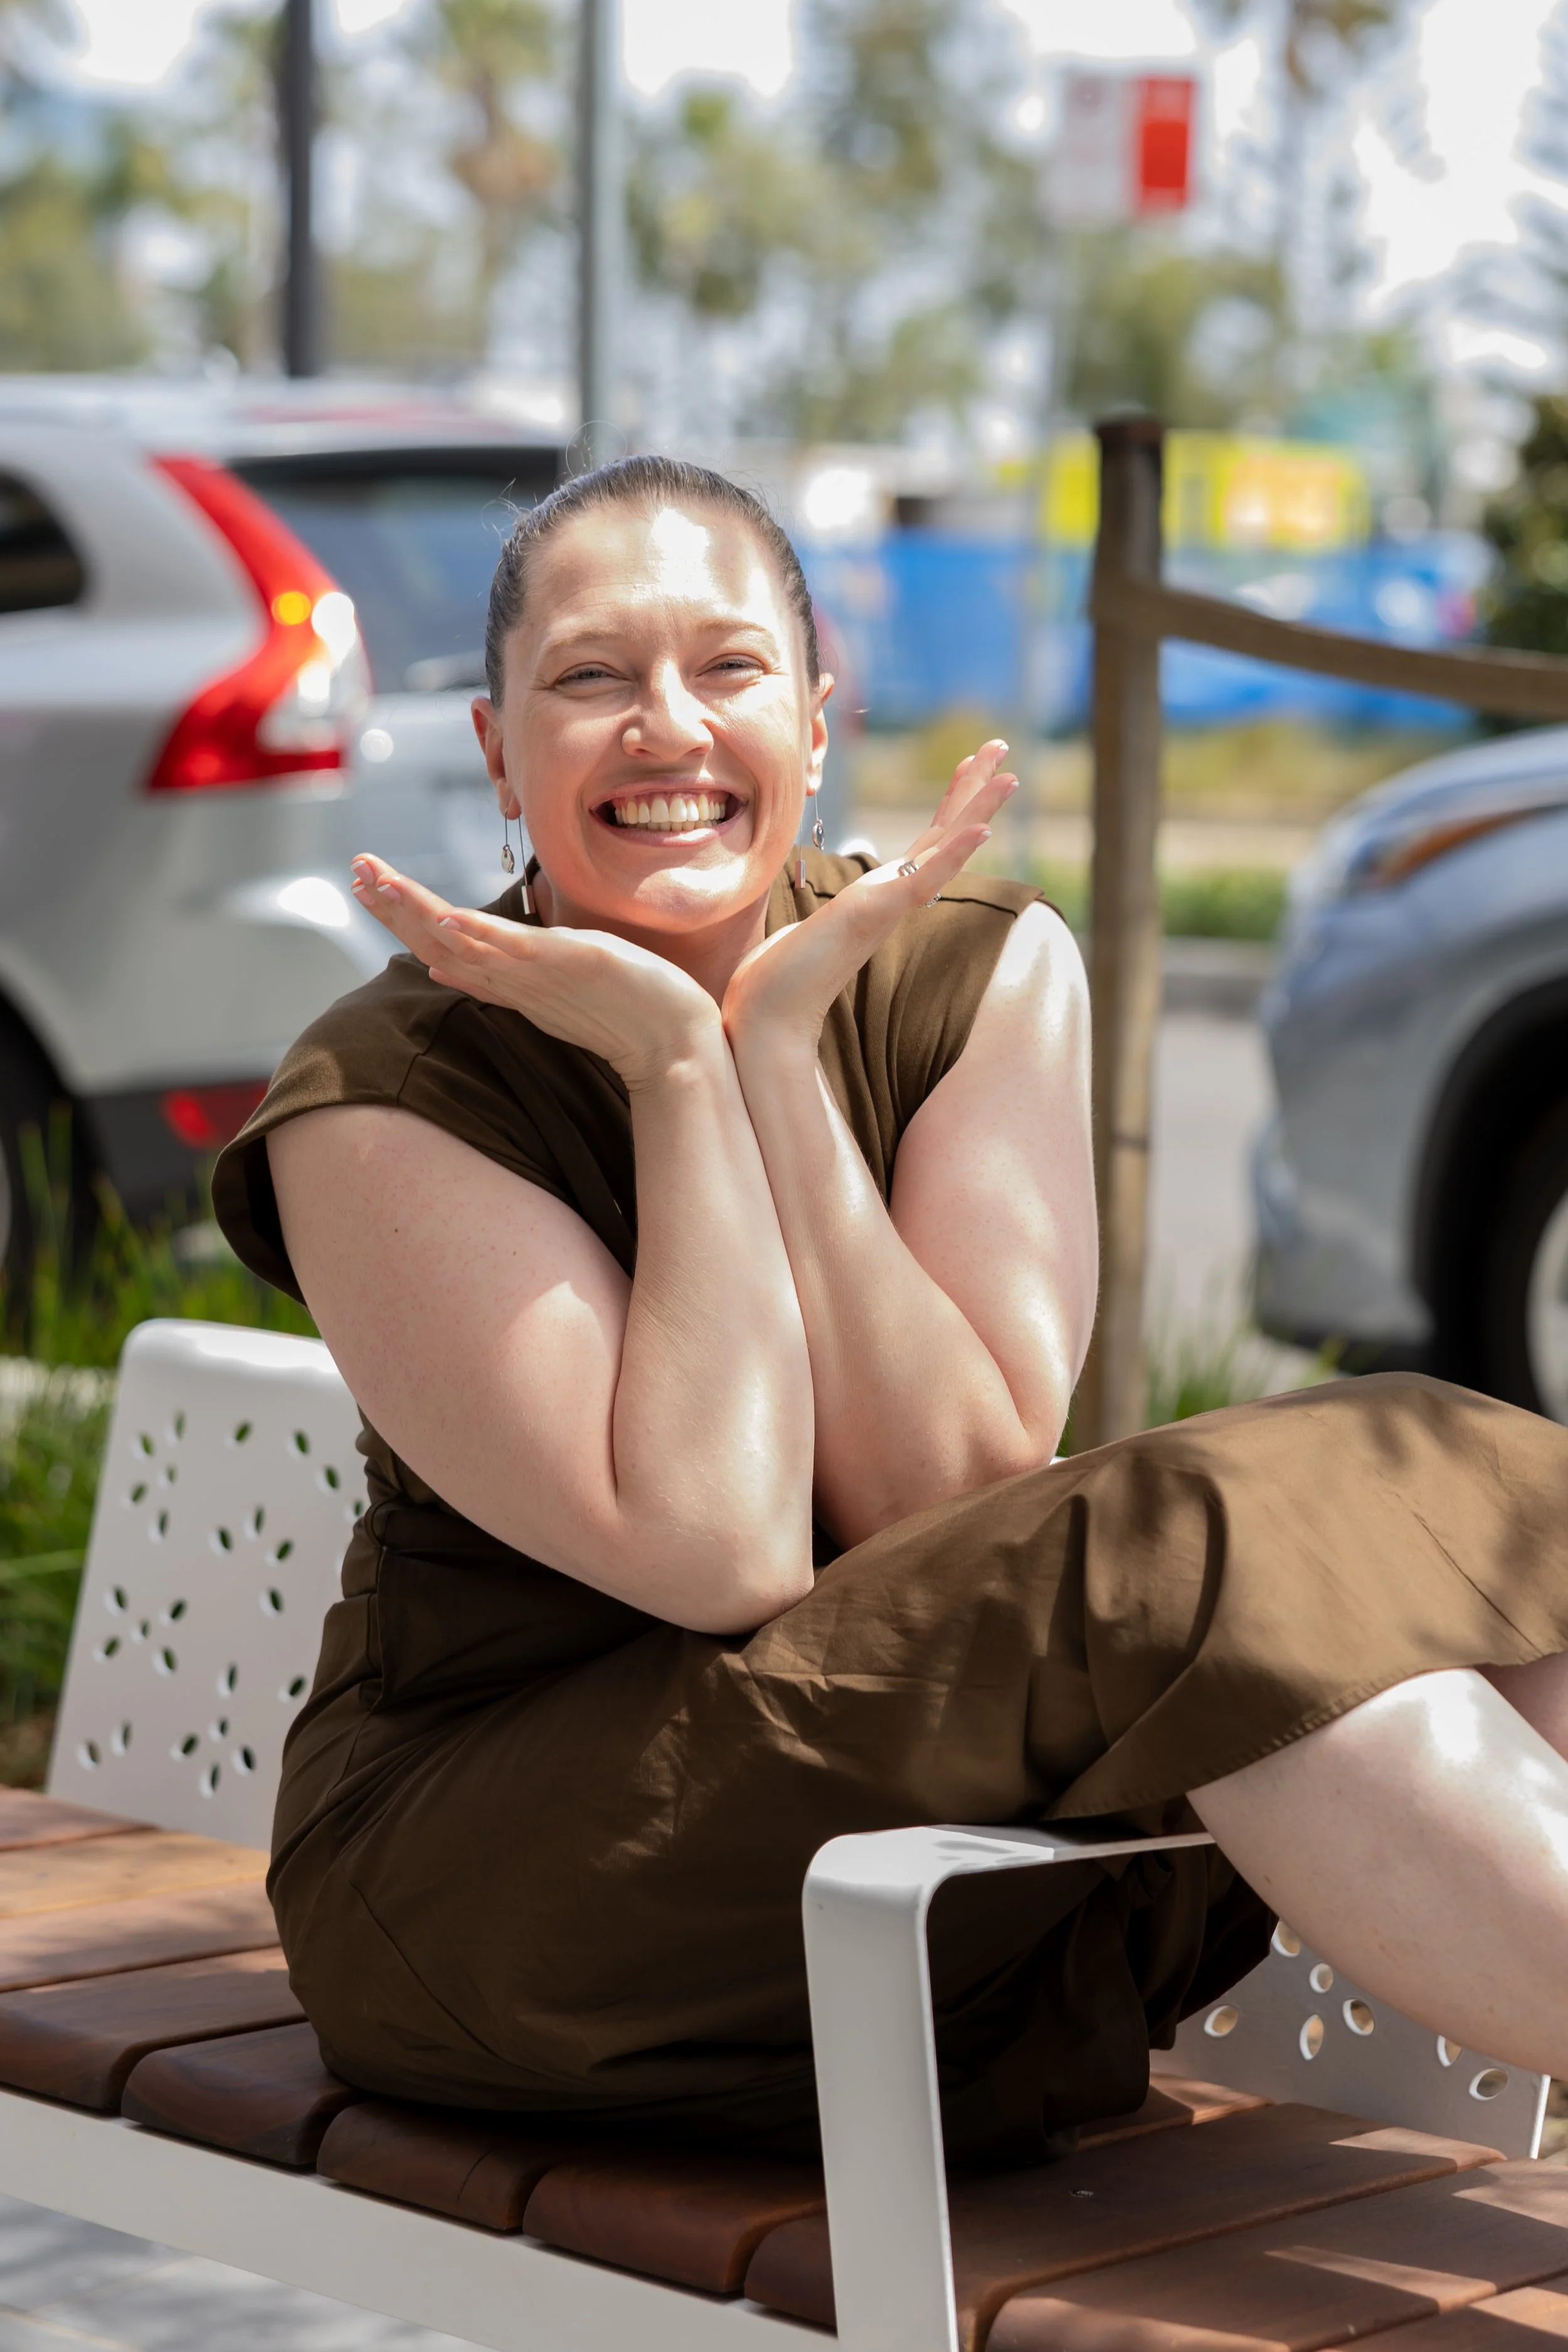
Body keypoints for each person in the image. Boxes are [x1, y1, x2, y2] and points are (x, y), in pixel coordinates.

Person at [215, 455, 1568, 2164]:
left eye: (725, 665)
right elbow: (716, 1553)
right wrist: (672, 1068)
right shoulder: (379, 1085)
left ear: (816, 716)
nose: (663, 724)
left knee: (1410, 1492)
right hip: (514, 1887)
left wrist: (782, 1058)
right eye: (588, 676)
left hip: (923, 1852)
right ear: (495, 748)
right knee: (1216, 1541)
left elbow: (942, 1504)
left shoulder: (979, 967)